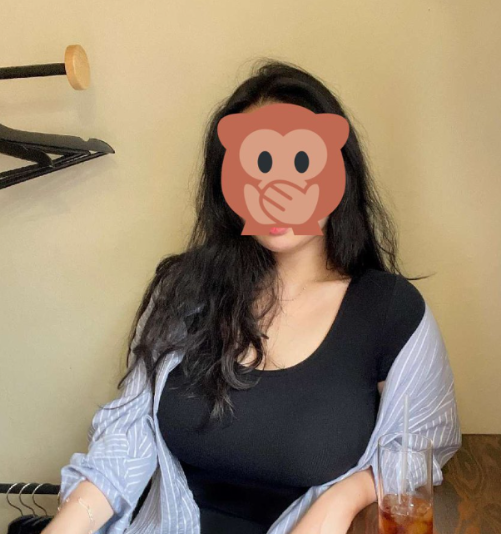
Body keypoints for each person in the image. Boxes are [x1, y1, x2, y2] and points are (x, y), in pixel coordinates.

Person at [44, 60, 461, 534]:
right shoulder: (186, 289)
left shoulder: (388, 311)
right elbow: (129, 433)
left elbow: (423, 443)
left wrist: (344, 499)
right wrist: (64, 526)